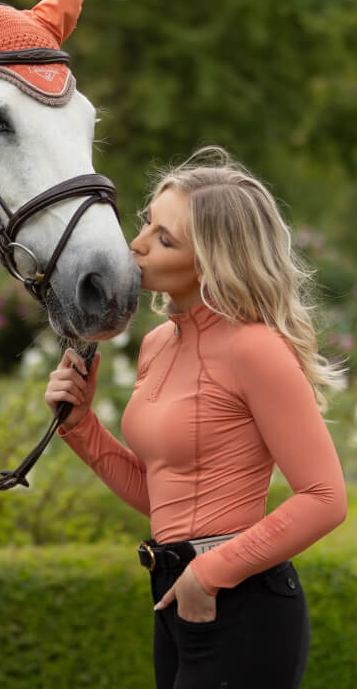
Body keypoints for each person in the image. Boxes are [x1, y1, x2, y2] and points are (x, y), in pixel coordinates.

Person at [45, 148, 347, 689]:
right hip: (176, 590)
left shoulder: (256, 349)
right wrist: (82, 426)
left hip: (240, 600)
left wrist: (208, 575)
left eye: (165, 240)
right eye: (146, 225)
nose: (135, 246)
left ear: (213, 260)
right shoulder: (159, 343)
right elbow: (160, 494)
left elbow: (325, 498)